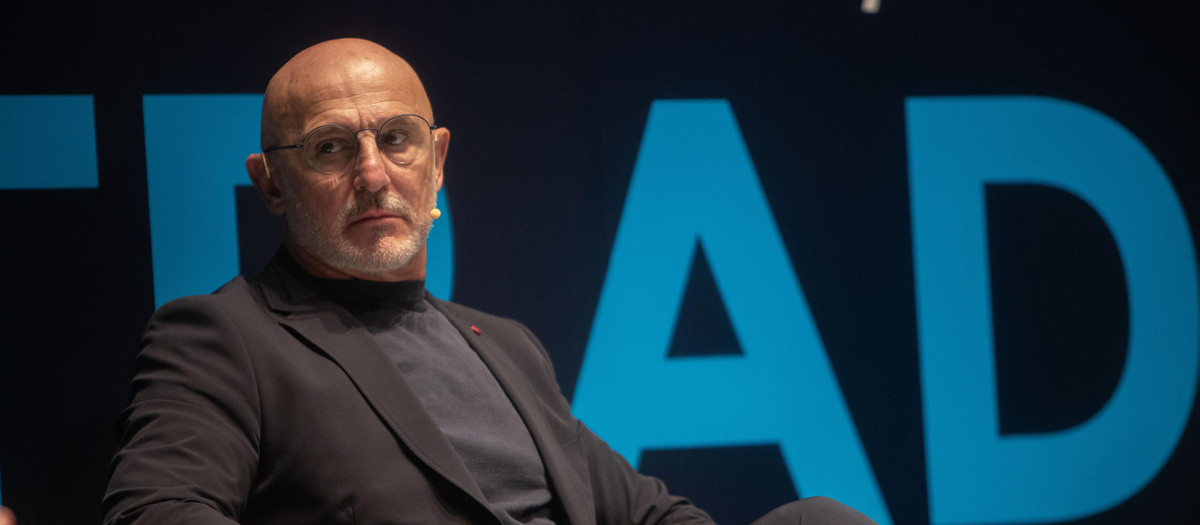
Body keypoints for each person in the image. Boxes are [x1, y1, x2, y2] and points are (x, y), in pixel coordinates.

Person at [102, 38, 878, 525]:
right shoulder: (222, 338)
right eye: (333, 148)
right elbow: (158, 512)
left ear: (436, 161)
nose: (374, 173)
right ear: (272, 184)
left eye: (396, 140)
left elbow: (644, 511)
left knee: (820, 517)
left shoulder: (503, 345)